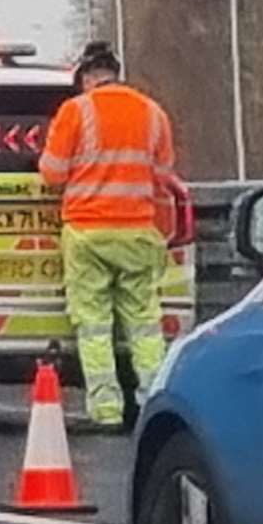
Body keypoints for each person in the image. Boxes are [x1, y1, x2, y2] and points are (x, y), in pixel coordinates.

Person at [38, 42, 178, 429]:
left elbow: (51, 173)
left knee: (94, 325)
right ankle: (152, 402)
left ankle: (106, 409)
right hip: (137, 232)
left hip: (87, 231)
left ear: (86, 76)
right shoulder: (152, 113)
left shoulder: (75, 111)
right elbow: (164, 176)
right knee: (145, 323)